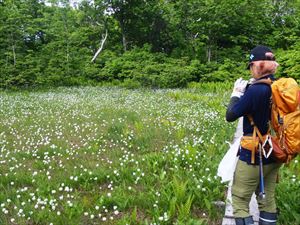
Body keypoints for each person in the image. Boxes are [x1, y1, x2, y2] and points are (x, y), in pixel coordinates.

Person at [226, 46, 282, 225]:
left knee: (240, 199)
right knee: (267, 199)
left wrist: (236, 94)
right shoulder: (277, 85)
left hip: (253, 153)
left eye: (251, 66)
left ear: (257, 66)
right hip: (274, 152)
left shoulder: (256, 90)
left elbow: (231, 115)